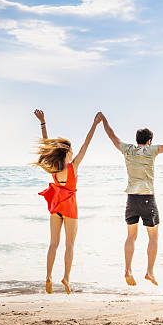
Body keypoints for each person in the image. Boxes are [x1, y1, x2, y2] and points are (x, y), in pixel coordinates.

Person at [97, 112, 163, 287]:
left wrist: (103, 120)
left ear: (137, 139)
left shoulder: (127, 149)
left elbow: (112, 136)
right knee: (153, 237)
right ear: (149, 141)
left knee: (131, 236)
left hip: (131, 199)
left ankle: (128, 269)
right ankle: (149, 272)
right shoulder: (152, 150)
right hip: (147, 199)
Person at [33, 109, 101, 294]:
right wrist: (95, 124)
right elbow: (87, 143)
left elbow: (47, 146)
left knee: (53, 244)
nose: (73, 151)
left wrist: (43, 122)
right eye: (71, 149)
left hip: (56, 207)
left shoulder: (54, 167)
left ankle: (48, 276)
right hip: (70, 208)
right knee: (69, 245)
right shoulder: (74, 166)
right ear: (68, 153)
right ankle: (66, 278)